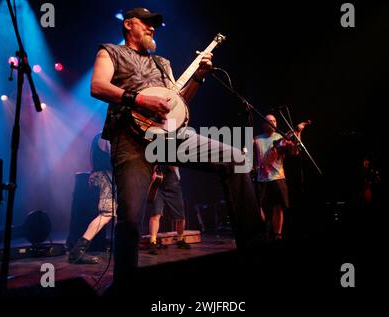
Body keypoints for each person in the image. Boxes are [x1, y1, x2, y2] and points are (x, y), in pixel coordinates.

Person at [90, 7, 264, 286]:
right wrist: (139, 100)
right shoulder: (110, 52)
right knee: (131, 219)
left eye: (154, 25)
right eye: (145, 24)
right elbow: (97, 86)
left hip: (168, 137)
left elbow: (179, 104)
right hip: (131, 139)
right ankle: (124, 284)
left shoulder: (162, 63)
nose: (151, 28)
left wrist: (198, 77)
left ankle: (255, 249)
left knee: (235, 158)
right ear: (128, 25)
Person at [253, 114, 304, 241]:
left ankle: (277, 235)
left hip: (278, 177)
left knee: (278, 206)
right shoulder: (257, 139)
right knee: (260, 207)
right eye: (269, 121)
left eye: (274, 121)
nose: (273, 123)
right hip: (261, 178)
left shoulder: (281, 137)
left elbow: (294, 151)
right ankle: (264, 231)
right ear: (264, 124)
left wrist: (298, 132)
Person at [68, 133, 116, 264]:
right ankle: (77, 251)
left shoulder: (102, 136)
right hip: (107, 176)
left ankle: (121, 247)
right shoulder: (105, 136)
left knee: (120, 213)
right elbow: (114, 157)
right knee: (107, 214)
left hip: (108, 176)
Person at [147, 166, 191, 255]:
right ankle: (153, 242)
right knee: (156, 214)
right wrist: (153, 171)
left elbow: (173, 166)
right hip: (158, 185)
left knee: (180, 216)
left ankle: (180, 239)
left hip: (174, 186)